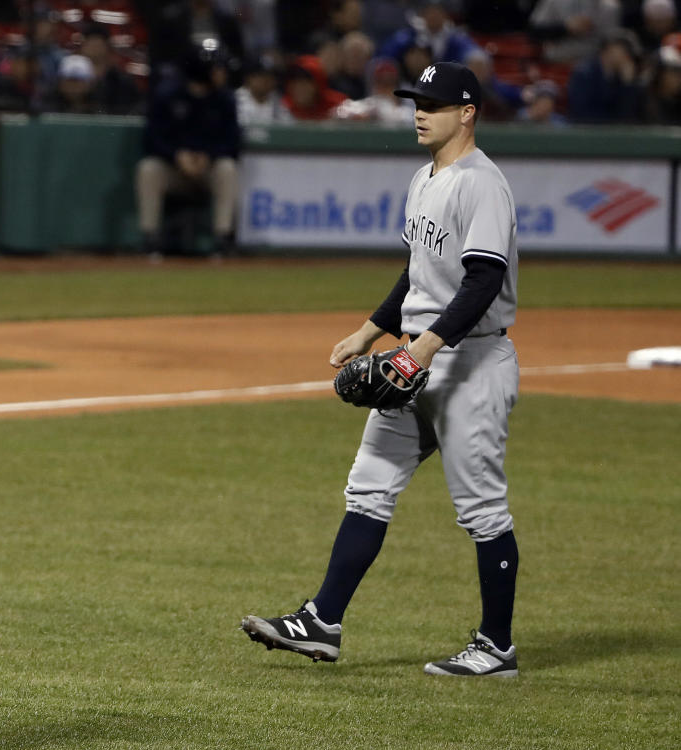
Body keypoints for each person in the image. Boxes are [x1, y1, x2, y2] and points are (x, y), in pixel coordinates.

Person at [243, 62, 523, 679]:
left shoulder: (481, 184)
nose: (419, 111)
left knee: (481, 510)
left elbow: (484, 280)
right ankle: (323, 621)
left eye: (434, 103)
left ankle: (496, 646)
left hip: (471, 360)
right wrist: (371, 330)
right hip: (416, 357)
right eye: (416, 101)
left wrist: (422, 349)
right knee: (368, 486)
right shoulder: (424, 177)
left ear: (467, 112)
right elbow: (418, 274)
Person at [135, 49, 240, 257]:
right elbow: (152, 139)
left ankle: (222, 239)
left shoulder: (225, 99)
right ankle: (150, 238)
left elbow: (233, 142)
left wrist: (208, 156)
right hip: (174, 169)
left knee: (227, 169)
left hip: (208, 170)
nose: (222, 73)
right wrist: (176, 155)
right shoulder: (168, 94)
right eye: (217, 69)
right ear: (202, 71)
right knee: (148, 169)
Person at [567, 28, 645, 121]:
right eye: (625, 50)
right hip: (583, 132)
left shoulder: (621, 76)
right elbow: (581, 113)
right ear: (610, 48)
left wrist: (627, 84)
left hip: (613, 132)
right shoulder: (585, 73)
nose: (629, 57)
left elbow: (627, 115)